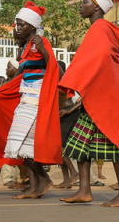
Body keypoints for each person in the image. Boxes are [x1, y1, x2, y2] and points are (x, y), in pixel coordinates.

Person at [0, 1, 62, 198]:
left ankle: (44, 179)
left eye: (21, 24)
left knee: (18, 143)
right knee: (24, 148)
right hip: (26, 96)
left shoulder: (41, 42)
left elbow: (54, 69)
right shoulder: (25, 47)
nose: (17, 28)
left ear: (32, 26)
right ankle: (34, 187)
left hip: (36, 99)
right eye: (16, 24)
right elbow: (22, 73)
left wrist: (43, 50)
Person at [58, 0, 119, 207]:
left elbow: (99, 58)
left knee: (116, 145)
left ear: (97, 6)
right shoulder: (101, 29)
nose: (81, 6)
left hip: (106, 96)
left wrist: (79, 77)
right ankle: (84, 190)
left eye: (85, 2)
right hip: (96, 96)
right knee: (80, 146)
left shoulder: (100, 28)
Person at [53, 60, 80, 189]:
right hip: (59, 115)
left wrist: (71, 109)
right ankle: (66, 179)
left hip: (68, 115)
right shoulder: (53, 82)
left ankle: (74, 173)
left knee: (60, 148)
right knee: (58, 148)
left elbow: (86, 96)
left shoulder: (65, 79)